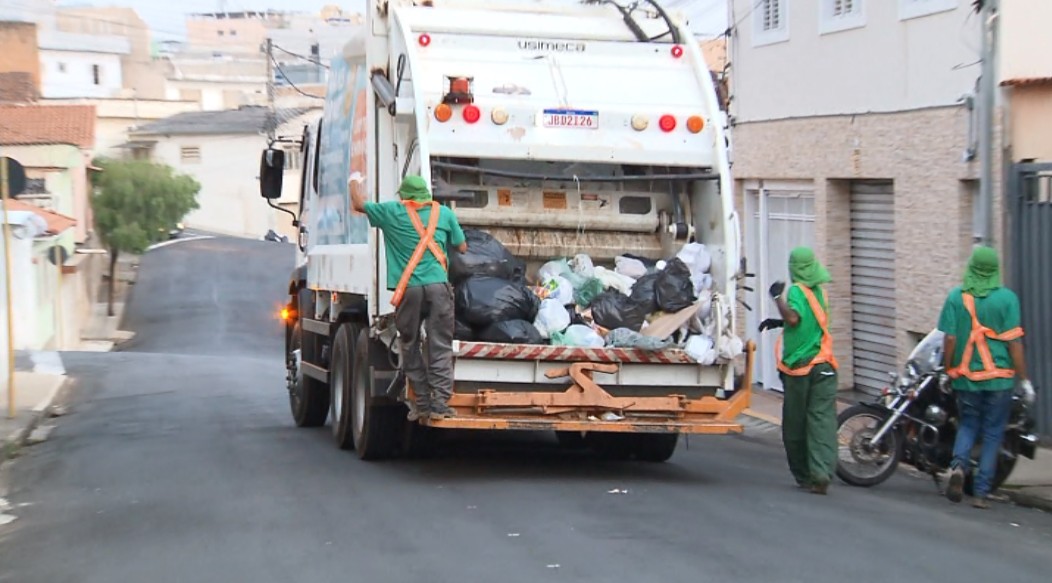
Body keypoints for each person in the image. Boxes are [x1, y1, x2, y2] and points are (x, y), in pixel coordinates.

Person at [350, 173, 467, 422]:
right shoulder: (443, 213)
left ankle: (422, 404)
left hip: (409, 291)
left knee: (410, 344)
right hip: (438, 288)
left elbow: (359, 205)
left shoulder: (392, 212)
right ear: (426, 194)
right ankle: (440, 404)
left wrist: (354, 181)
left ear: (403, 196)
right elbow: (462, 246)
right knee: (440, 345)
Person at [938, 246, 1034, 509]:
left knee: (968, 424)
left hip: (967, 377)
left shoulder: (957, 297)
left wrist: (949, 370)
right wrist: (1024, 379)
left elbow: (949, 338)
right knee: (993, 433)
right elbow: (1014, 343)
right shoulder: (1007, 299)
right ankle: (981, 492)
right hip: (1000, 379)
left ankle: (958, 468)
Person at [759, 247, 839, 495]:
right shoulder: (820, 293)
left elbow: (794, 319)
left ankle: (805, 475)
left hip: (800, 369)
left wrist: (776, 299)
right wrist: (778, 322)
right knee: (822, 422)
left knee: (795, 424)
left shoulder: (795, 290)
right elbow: (807, 322)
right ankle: (822, 472)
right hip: (824, 366)